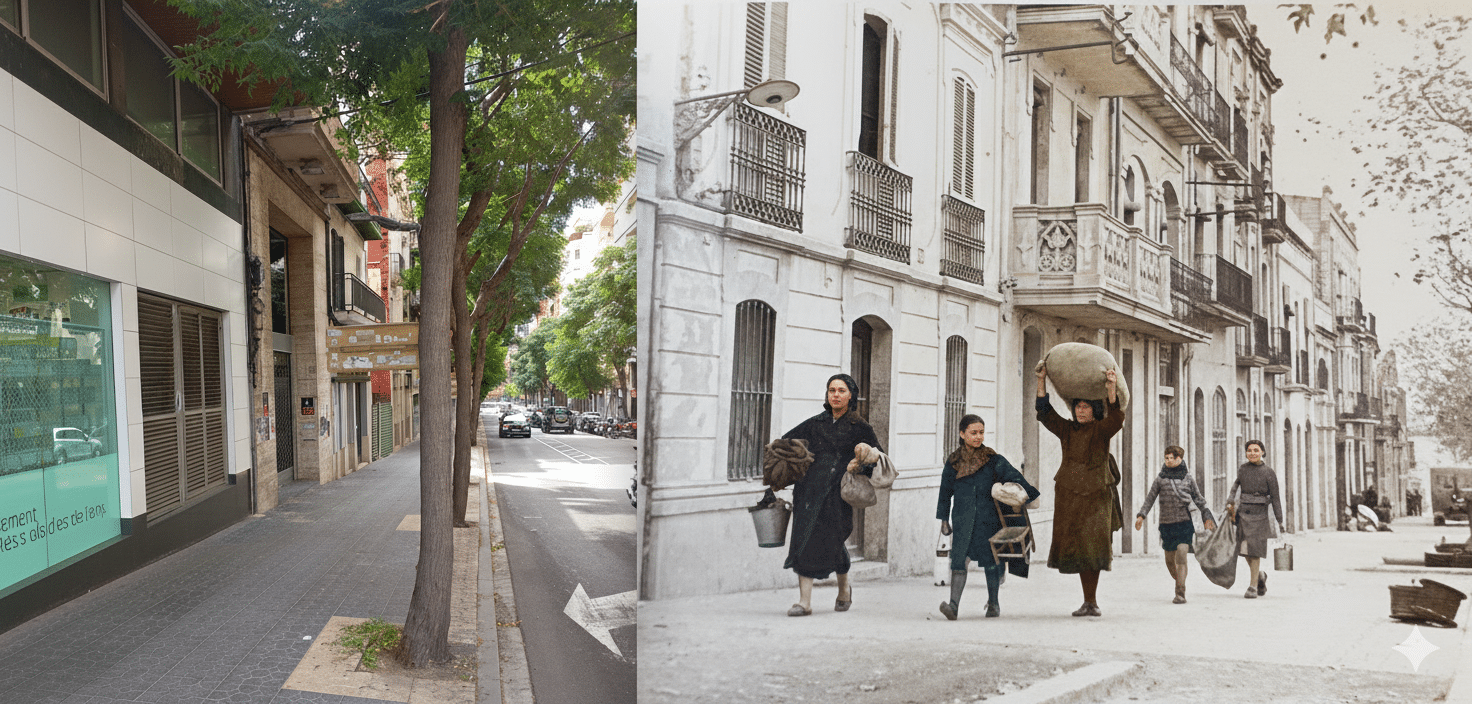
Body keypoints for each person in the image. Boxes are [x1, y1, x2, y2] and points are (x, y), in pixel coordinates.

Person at [779, 373, 881, 616]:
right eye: (832, 390)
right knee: (803, 540)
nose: (835, 395)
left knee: (834, 541)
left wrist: (859, 464)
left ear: (851, 396)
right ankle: (804, 602)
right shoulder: (815, 423)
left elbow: (877, 458)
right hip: (808, 492)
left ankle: (844, 588)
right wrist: (790, 466)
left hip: (837, 495)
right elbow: (787, 443)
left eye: (841, 391)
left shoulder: (860, 427)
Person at [1035, 362, 1124, 617]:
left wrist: (1111, 388)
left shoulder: (1102, 430)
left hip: (1097, 496)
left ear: (1095, 410)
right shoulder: (1067, 429)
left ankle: (1091, 601)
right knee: (1077, 546)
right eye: (1077, 406)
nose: (1080, 410)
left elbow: (1117, 418)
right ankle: (1088, 601)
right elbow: (1045, 412)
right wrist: (1041, 380)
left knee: (1093, 547)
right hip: (1069, 494)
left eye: (1086, 406)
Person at [936, 414, 1040, 620]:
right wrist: (944, 520)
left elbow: (1014, 477)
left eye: (981, 432)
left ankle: (993, 604)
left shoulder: (993, 460)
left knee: (991, 559)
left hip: (988, 520)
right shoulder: (954, 462)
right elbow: (945, 493)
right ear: (962, 434)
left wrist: (1028, 495)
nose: (978, 437)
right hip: (963, 519)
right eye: (973, 433)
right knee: (959, 560)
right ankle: (953, 606)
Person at [1134, 446, 1216, 604]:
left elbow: (1199, 499)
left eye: (1172, 458)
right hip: (1166, 525)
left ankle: (1180, 591)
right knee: (1170, 561)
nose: (1169, 461)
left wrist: (1206, 515)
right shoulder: (1160, 479)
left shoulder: (1188, 478)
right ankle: (1179, 580)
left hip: (1184, 523)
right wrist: (1141, 515)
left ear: (1180, 459)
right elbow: (1150, 498)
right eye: (1167, 458)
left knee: (1181, 555)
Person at [1224, 440, 1284, 599]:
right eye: (1249, 450)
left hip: (1260, 516)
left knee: (1255, 551)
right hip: (1243, 515)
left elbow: (1276, 497)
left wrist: (1280, 520)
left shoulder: (1269, 472)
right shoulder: (1243, 469)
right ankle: (1260, 575)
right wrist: (1230, 502)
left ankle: (1252, 587)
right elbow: (1235, 487)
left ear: (1262, 452)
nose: (1252, 453)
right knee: (1245, 551)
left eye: (1256, 450)